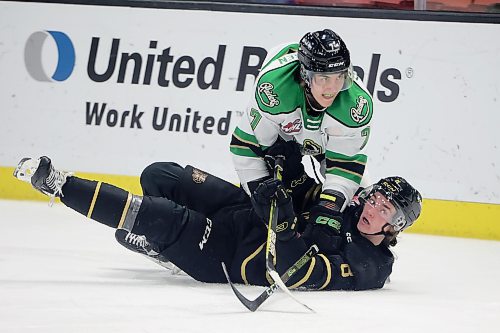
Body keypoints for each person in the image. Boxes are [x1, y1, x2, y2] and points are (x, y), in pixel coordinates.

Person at [13, 156, 421, 291]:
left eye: (387, 211)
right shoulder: (347, 205)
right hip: (244, 214)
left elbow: (299, 274)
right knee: (161, 175)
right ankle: (163, 247)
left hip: (236, 256)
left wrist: (283, 227)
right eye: (377, 199)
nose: (375, 208)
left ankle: (57, 185)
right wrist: (284, 174)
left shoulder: (369, 265)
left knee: (159, 216)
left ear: (394, 228)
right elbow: (301, 195)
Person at [230, 28, 373, 242]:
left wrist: (328, 211)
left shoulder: (356, 106)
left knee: (362, 197)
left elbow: (344, 166)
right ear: (305, 76)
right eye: (324, 78)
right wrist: (265, 201)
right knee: (261, 201)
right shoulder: (273, 91)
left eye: (339, 77)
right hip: (282, 133)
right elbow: (245, 149)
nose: (332, 88)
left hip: (326, 140)